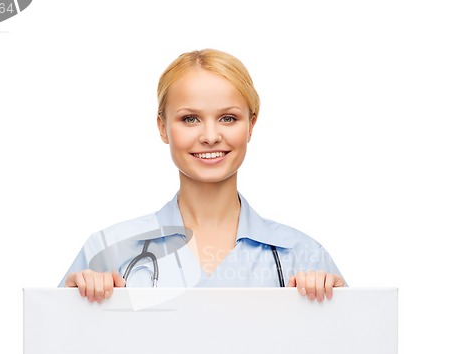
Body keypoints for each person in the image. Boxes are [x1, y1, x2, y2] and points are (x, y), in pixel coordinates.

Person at [59, 49, 346, 302]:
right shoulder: (108, 251)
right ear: (162, 128)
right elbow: (54, 352)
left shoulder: (302, 255)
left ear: (251, 125)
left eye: (228, 118)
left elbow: (355, 352)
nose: (210, 136)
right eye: (190, 119)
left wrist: (340, 304)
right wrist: (70, 306)